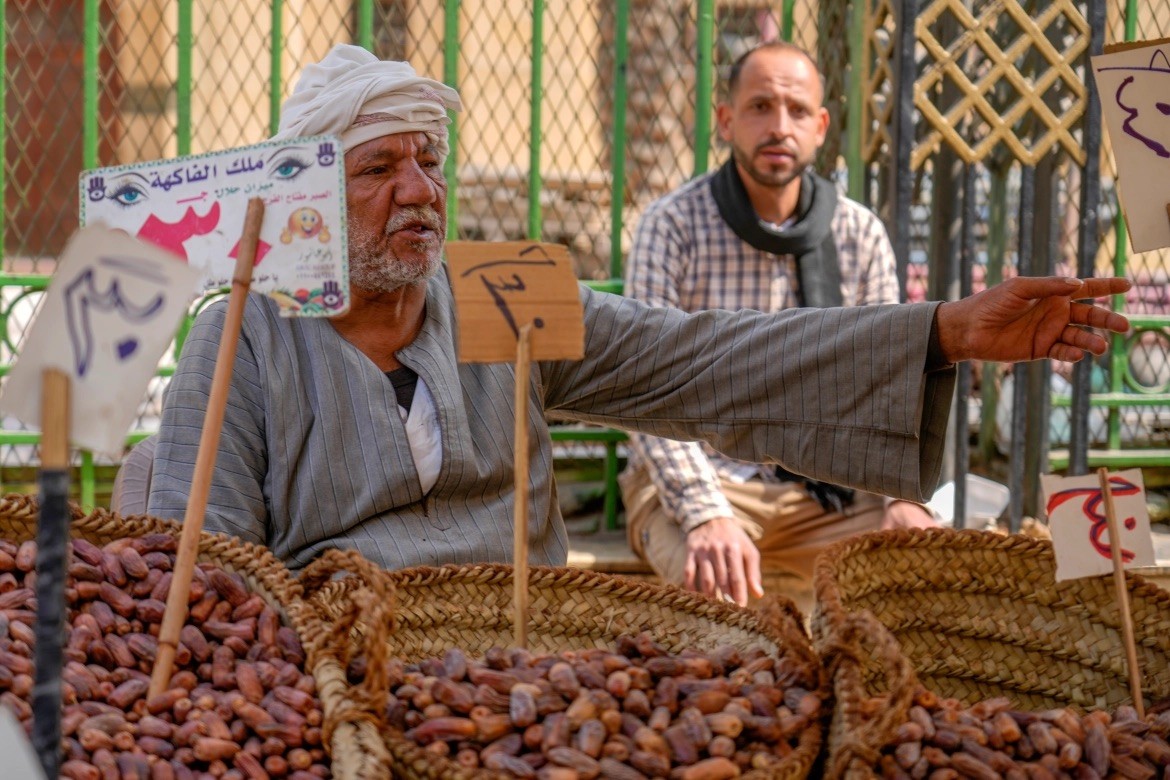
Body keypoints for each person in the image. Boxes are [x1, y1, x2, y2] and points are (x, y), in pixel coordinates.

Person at [146, 44, 1130, 579]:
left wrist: (947, 331)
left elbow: (696, 360)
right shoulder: (241, 336)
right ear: (313, 195)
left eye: (430, 161)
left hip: (524, 658)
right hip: (340, 672)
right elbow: (209, 560)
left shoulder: (498, 290)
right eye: (380, 168)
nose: (420, 190)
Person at [619, 41, 934, 607]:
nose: (778, 126)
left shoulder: (858, 234)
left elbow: (892, 386)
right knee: (723, 616)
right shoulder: (671, 226)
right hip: (701, 481)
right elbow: (643, 392)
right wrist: (706, 515)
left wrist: (900, 498)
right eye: (760, 107)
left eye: (795, 111)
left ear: (820, 126)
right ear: (726, 120)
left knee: (923, 582)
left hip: (827, 491)